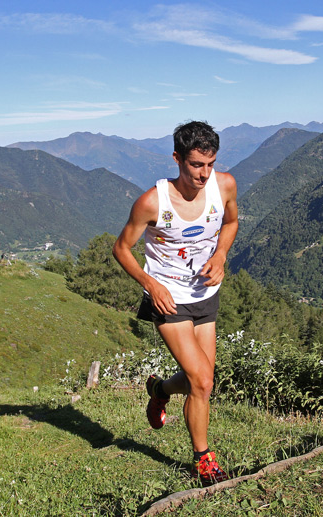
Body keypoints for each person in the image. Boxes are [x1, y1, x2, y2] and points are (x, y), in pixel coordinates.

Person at [112, 121, 238, 485]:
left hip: (205, 294)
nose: (204, 174)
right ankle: (204, 460)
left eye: (210, 163)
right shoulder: (153, 201)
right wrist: (151, 284)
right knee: (201, 380)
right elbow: (122, 249)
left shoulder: (224, 184)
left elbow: (230, 222)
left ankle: (160, 390)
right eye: (196, 165)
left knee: (204, 381)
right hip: (168, 300)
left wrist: (221, 256)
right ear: (177, 159)